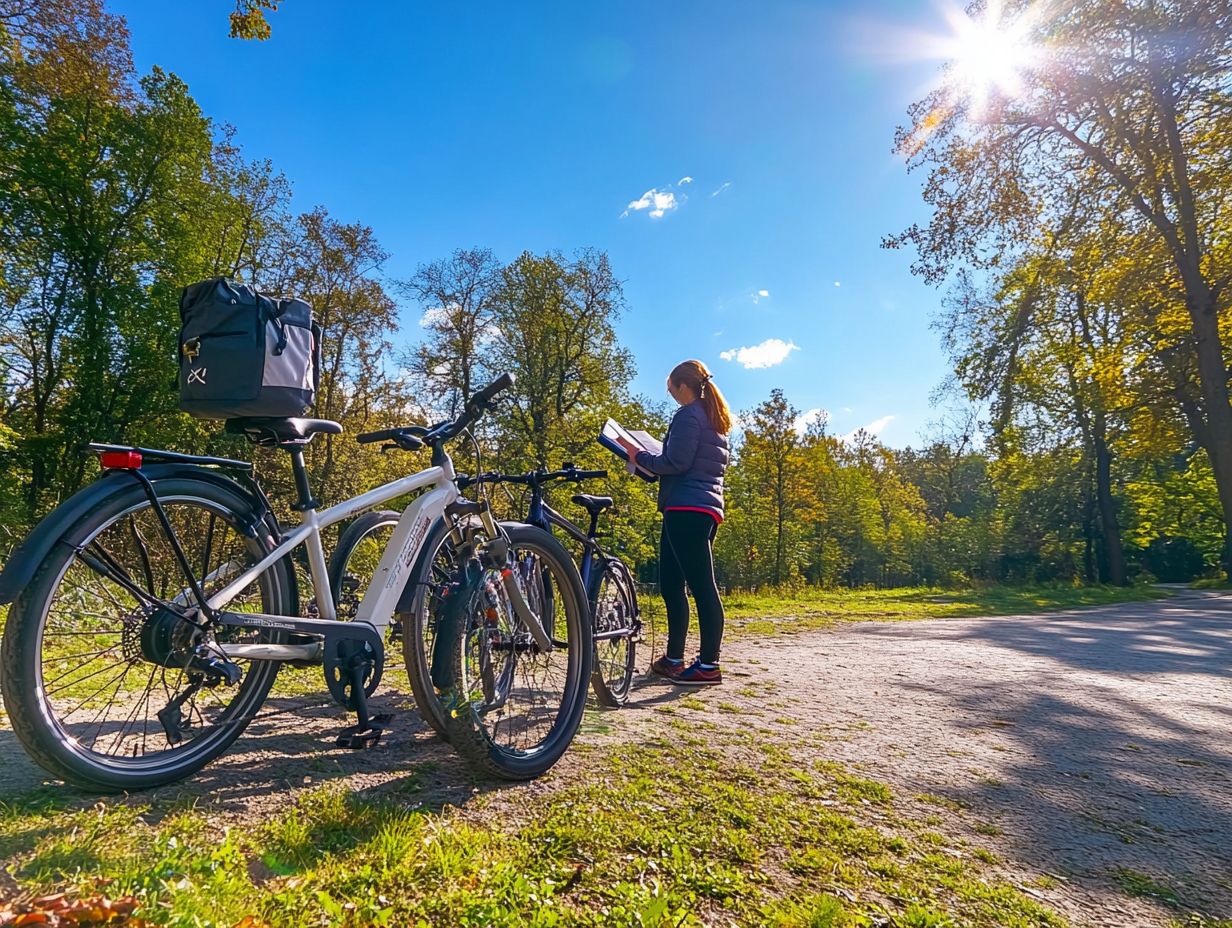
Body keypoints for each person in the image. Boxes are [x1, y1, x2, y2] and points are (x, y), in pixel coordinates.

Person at [617, 359, 731, 686]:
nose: (672, 397)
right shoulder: (714, 420)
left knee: (701, 587)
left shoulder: (688, 415)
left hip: (686, 509)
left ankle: (708, 665)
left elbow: (676, 462)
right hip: (698, 509)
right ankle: (674, 659)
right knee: (671, 584)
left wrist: (637, 455)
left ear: (684, 386)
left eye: (671, 390)